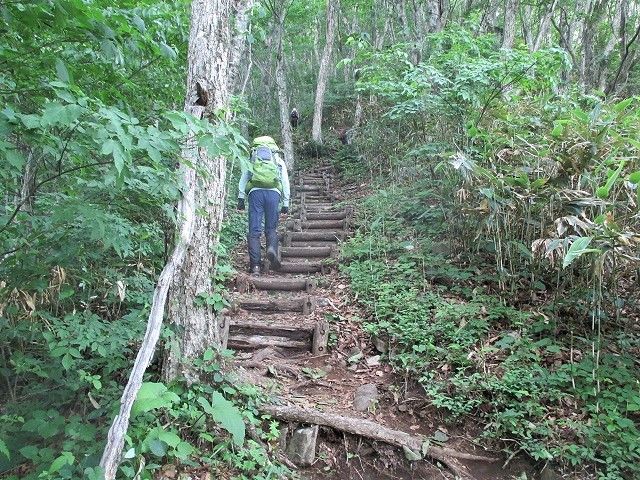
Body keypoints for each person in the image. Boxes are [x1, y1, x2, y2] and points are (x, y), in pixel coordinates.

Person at [237, 137, 290, 275]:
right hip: (274, 194)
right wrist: (285, 203)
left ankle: (255, 267)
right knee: (271, 227)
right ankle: (271, 248)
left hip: (255, 193)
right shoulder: (277, 160)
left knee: (254, 230)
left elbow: (244, 178)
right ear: (273, 146)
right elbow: (285, 181)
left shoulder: (253, 158)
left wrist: (241, 200)